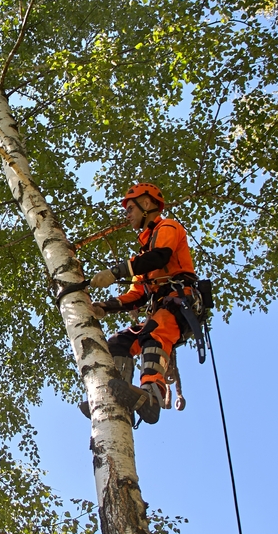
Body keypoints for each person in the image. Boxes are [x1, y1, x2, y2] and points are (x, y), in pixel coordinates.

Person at [82, 182, 197, 425]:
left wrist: (116, 271)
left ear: (146, 204)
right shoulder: (143, 254)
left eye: (130, 208)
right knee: (118, 342)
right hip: (161, 307)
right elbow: (137, 294)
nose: (128, 215)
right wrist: (107, 306)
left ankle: (152, 396)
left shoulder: (168, 227)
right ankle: (116, 393)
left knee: (153, 334)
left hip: (178, 303)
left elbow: (160, 256)